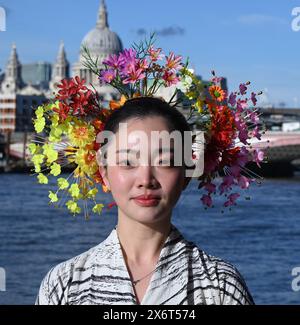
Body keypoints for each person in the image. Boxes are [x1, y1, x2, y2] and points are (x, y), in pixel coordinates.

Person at [35, 97, 254, 305]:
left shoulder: (221, 285)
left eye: (164, 161)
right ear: (105, 174)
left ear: (186, 174)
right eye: (128, 162)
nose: (145, 180)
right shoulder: (64, 284)